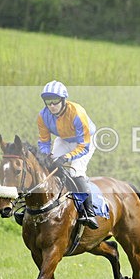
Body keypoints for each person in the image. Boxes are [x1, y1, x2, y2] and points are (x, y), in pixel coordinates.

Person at [37, 80, 100, 228]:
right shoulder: (42, 116)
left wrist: (65, 157)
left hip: (85, 142)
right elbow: (44, 142)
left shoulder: (77, 112)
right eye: (48, 102)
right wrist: (46, 157)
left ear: (63, 99)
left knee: (76, 171)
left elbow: (83, 146)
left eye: (55, 101)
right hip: (64, 139)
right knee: (48, 167)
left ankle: (88, 213)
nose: (51, 105)